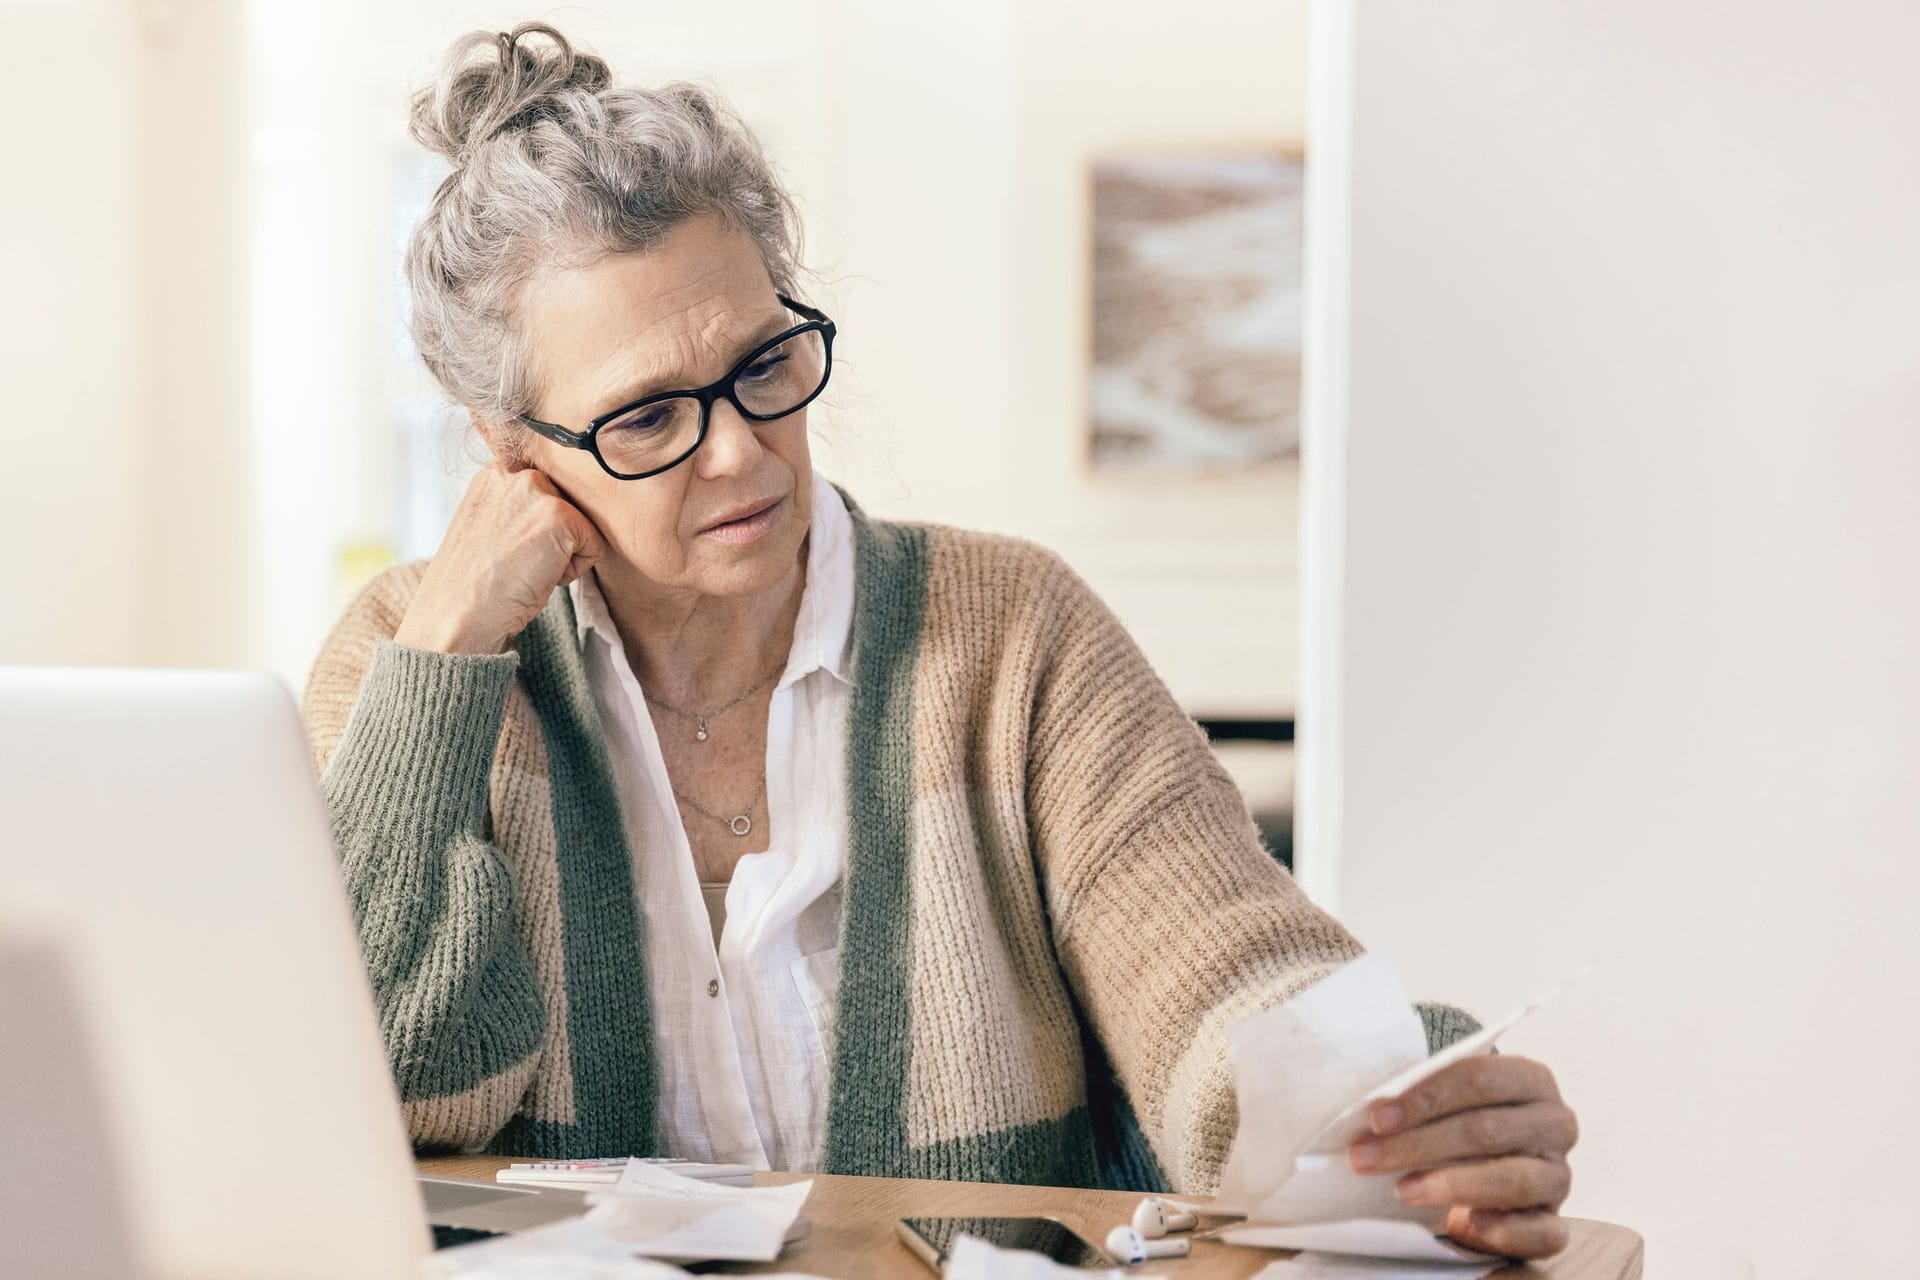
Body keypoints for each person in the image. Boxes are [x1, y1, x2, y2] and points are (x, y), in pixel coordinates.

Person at [303, 23, 1579, 1259]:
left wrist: (1391, 1107)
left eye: (764, 364)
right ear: (510, 454)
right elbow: (382, 1083)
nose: (743, 450)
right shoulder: (410, 658)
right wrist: (451, 647)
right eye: (646, 419)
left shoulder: (1015, 632)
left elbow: (1219, 972)